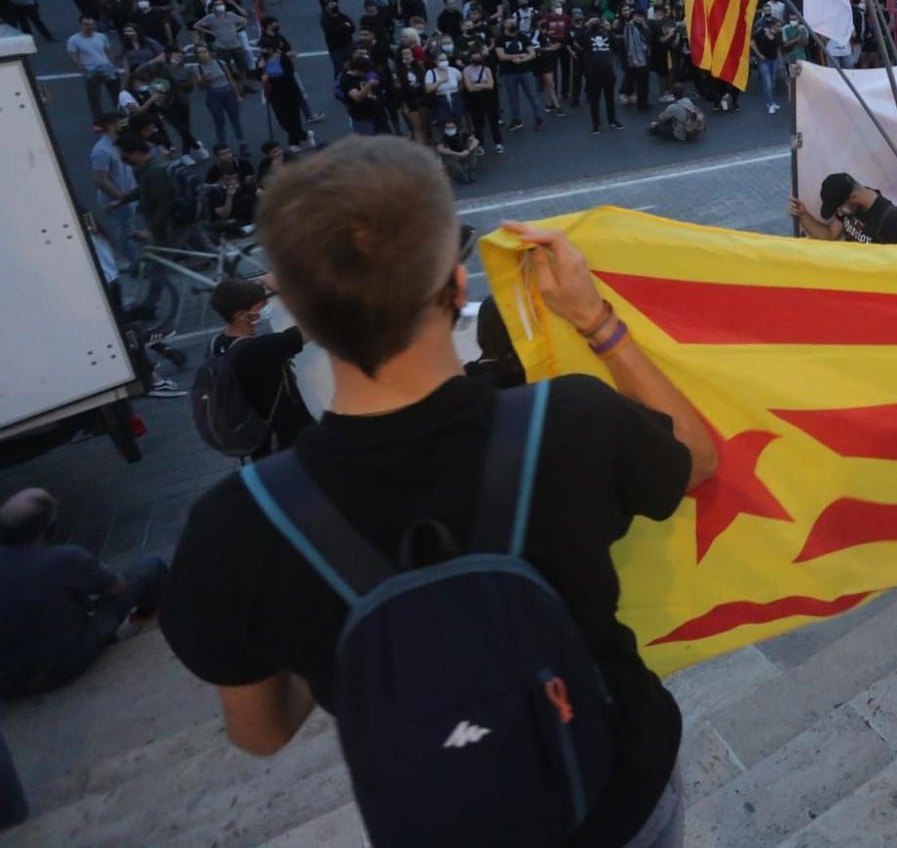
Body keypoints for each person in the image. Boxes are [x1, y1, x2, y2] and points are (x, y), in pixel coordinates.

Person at [159, 138, 718, 845]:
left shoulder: (235, 527)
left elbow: (261, 732)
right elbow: (696, 457)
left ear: (300, 316)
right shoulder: (572, 420)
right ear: (456, 288)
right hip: (619, 787)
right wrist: (596, 321)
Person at [0, 488, 167, 698]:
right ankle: (152, 617)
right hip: (63, 665)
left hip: (7, 683)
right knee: (150, 567)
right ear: (49, 528)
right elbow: (118, 587)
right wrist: (94, 568)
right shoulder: (65, 558)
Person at [204, 278, 314, 455]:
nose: (266, 307)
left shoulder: (217, 343)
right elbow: (315, 325)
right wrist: (284, 289)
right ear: (241, 315)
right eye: (260, 306)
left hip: (257, 435)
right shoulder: (258, 349)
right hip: (284, 437)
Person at [792, 172, 897, 244]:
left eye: (838, 209)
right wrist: (803, 214)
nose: (838, 213)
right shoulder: (849, 206)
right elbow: (830, 235)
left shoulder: (890, 221)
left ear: (853, 198)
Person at [66, 16, 121, 118]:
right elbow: (72, 55)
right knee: (94, 98)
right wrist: (81, 67)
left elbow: (108, 51)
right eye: (87, 24)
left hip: (106, 67)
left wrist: (111, 64)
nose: (90, 26)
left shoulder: (101, 36)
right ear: (81, 25)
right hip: (91, 70)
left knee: (116, 95)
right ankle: (98, 120)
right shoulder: (73, 39)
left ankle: (121, 115)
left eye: (92, 24)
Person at [579, 16, 622, 134]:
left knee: (610, 98)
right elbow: (579, 39)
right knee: (595, 99)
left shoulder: (607, 35)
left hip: (608, 71)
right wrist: (587, 24)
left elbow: (615, 45)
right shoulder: (587, 36)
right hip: (593, 73)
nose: (597, 24)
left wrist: (609, 29)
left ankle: (612, 120)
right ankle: (596, 124)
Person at [436, 118, 479, 183]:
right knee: (445, 154)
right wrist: (457, 153)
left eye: (452, 127)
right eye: (447, 128)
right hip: (454, 157)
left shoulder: (461, 133)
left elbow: (476, 141)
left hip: (465, 153)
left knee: (473, 146)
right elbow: (439, 148)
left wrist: (468, 150)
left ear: (456, 127)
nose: (450, 129)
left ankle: (472, 170)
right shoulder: (443, 137)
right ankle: (462, 173)